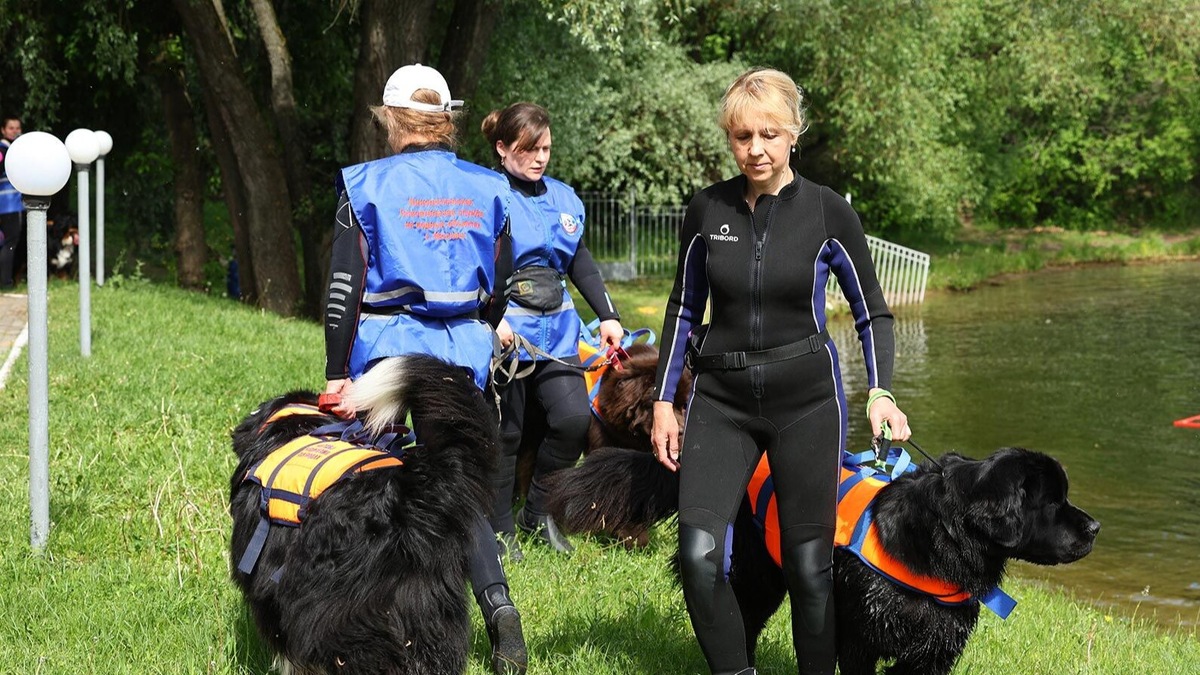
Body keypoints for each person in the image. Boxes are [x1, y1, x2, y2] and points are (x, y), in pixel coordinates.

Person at [649, 68, 911, 675]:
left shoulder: (828, 211)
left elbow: (871, 310)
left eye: (769, 133)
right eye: (743, 136)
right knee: (698, 554)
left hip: (807, 403)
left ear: (794, 133)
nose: (756, 149)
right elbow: (684, 308)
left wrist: (881, 391)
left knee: (810, 567)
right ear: (730, 139)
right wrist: (665, 402)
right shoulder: (707, 208)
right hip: (722, 401)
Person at [321, 64, 527, 675]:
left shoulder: (363, 185)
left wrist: (337, 371)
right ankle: (498, 607)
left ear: (390, 120)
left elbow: (344, 286)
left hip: (385, 349)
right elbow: (506, 278)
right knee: (457, 489)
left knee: (373, 479)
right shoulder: (488, 186)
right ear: (446, 120)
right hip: (461, 350)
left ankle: (368, 617)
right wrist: (480, 322)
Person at [480, 102, 624, 557]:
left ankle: (538, 514)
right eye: (529, 149)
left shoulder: (564, 198)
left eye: (545, 148)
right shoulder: (485, 194)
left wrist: (608, 315)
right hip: (507, 330)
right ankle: (500, 530)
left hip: (559, 330)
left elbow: (580, 262)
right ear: (502, 148)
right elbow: (472, 265)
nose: (540, 157)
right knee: (508, 433)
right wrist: (490, 320)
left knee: (572, 420)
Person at [0, 116, 23, 288]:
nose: (14, 131)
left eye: (17, 128)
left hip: (7, 205)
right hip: (9, 205)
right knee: (9, 244)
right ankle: (6, 283)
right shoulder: (4, 150)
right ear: (3, 130)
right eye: (11, 128)